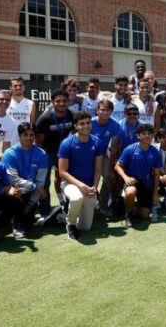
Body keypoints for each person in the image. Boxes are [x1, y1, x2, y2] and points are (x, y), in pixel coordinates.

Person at [57, 111, 103, 239]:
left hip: (88, 186)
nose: (86, 126)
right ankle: (70, 224)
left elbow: (98, 170)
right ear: (76, 126)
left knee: (85, 227)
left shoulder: (97, 142)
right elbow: (62, 172)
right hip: (69, 184)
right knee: (77, 198)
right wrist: (81, 185)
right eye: (82, 124)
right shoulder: (66, 143)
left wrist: (94, 187)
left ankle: (61, 216)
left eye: (88, 123)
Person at [2, 122, 48, 238]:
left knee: (29, 221)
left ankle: (21, 217)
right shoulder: (9, 154)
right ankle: (15, 224)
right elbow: (13, 179)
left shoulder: (41, 154)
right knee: (16, 193)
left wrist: (31, 204)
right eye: (25, 135)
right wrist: (34, 186)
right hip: (12, 191)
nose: (29, 138)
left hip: (29, 193)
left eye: (31, 135)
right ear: (19, 136)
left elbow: (41, 182)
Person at [35, 88, 74, 224]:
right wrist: (40, 160)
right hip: (46, 154)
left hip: (62, 154)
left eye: (64, 101)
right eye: (58, 101)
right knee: (44, 183)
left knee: (67, 179)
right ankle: (45, 212)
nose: (61, 104)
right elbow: (38, 143)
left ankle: (69, 208)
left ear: (68, 102)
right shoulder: (45, 118)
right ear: (52, 102)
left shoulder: (71, 115)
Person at [115, 124, 162, 227]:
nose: (147, 136)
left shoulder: (155, 152)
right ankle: (128, 214)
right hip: (132, 181)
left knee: (145, 215)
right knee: (131, 192)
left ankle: (126, 204)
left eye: (149, 133)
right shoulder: (130, 149)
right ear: (138, 136)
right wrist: (125, 177)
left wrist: (155, 194)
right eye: (144, 133)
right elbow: (117, 166)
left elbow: (157, 175)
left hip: (147, 184)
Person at [90, 100, 121, 214]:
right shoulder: (90, 123)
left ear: (111, 112)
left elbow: (113, 148)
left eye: (108, 110)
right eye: (102, 109)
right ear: (97, 110)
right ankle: (87, 205)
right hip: (88, 155)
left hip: (103, 155)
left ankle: (102, 205)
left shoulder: (115, 125)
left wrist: (111, 169)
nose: (105, 112)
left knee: (109, 178)